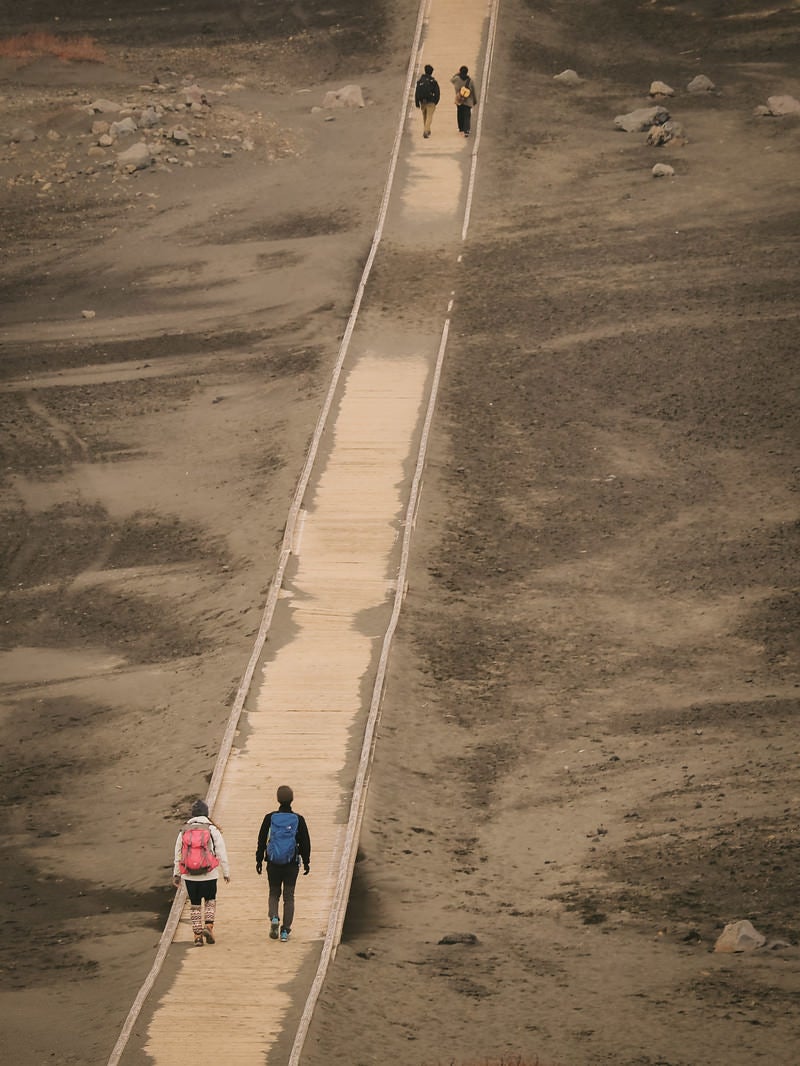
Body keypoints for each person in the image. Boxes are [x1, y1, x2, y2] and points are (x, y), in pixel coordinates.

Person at [255, 784, 311, 943]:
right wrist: (306, 861)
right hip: (291, 863)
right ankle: (285, 931)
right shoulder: (298, 819)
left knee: (273, 893)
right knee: (289, 896)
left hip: (273, 862)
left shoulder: (270, 818)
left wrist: (259, 859)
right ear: (292, 799)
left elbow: (261, 841)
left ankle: (274, 917)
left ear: (278, 799)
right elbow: (305, 842)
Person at [172, 799, 230, 947]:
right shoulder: (211, 829)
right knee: (210, 900)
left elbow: (178, 854)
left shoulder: (185, 830)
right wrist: (226, 872)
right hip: (209, 874)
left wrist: (177, 874)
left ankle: (197, 936)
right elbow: (221, 851)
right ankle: (209, 926)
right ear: (206, 813)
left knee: (195, 905)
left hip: (190, 875)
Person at [450, 64, 478, 138]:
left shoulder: (456, 79)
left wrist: (457, 73)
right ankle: (466, 130)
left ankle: (461, 127)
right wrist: (475, 100)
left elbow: (451, 79)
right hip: (468, 101)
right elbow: (473, 91)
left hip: (459, 99)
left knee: (460, 114)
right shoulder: (470, 81)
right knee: (467, 115)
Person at [414, 63, 440, 138]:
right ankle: (426, 131)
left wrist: (417, 103)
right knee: (429, 117)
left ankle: (427, 130)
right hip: (431, 101)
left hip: (422, 101)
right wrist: (435, 101)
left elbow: (417, 92)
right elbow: (437, 93)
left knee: (424, 116)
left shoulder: (420, 81)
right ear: (431, 72)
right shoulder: (433, 81)